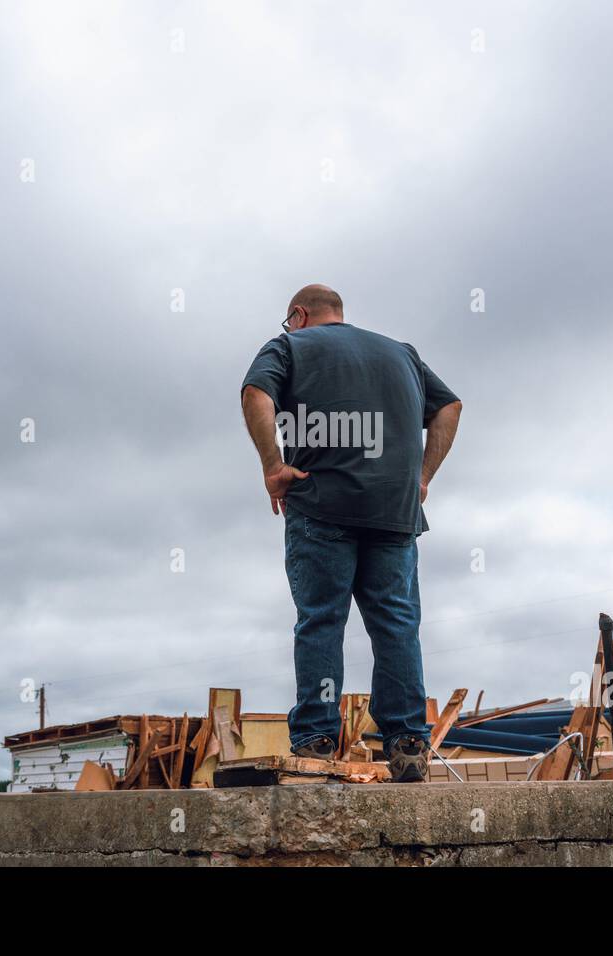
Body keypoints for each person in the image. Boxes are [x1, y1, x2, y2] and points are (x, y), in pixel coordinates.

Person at [240, 284, 462, 781]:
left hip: (321, 506)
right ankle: (407, 745)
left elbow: (256, 393)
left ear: (298, 315)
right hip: (394, 513)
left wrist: (273, 466)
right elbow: (450, 407)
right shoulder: (401, 353)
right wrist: (421, 478)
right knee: (396, 624)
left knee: (321, 620)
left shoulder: (289, 346)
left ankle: (316, 742)